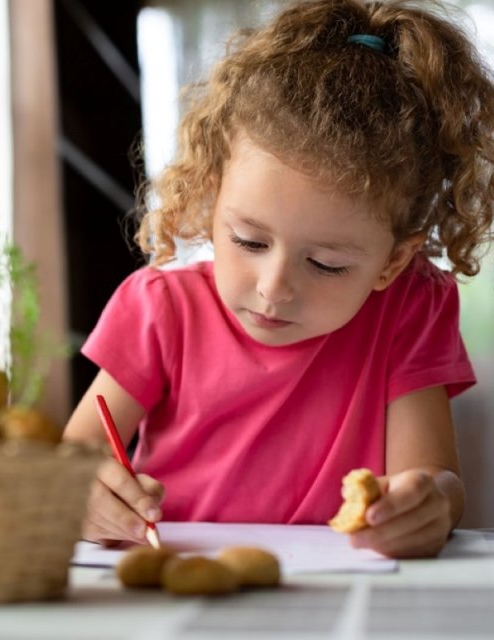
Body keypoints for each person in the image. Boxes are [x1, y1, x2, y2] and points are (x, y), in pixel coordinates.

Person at [64, 0, 494, 559]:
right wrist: (88, 496)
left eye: (327, 264)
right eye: (249, 241)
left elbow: (433, 479)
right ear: (212, 201)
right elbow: (70, 467)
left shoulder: (410, 306)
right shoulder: (160, 308)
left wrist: (428, 504)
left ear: (392, 262)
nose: (273, 288)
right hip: (176, 576)